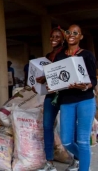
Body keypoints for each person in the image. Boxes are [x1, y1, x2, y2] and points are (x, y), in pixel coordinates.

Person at [55, 24, 96, 171]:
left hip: (86, 100)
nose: (71, 34)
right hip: (67, 102)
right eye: (68, 32)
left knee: (83, 141)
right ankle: (85, 157)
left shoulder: (87, 55)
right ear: (65, 35)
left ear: (81, 37)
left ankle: (84, 167)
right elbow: (56, 79)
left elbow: (93, 80)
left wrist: (84, 86)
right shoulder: (60, 56)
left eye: (75, 32)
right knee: (66, 141)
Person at [36, 26, 65, 171]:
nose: (54, 39)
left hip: (66, 95)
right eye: (52, 36)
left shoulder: (66, 54)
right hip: (51, 95)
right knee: (47, 127)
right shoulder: (48, 56)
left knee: (68, 129)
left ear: (63, 39)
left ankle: (77, 159)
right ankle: (50, 162)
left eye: (57, 37)